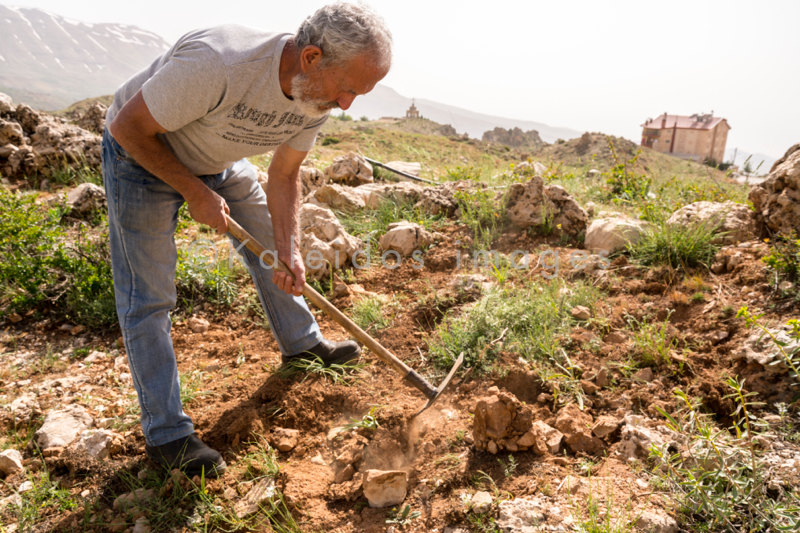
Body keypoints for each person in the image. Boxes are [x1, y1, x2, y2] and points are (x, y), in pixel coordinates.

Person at [102, 2, 392, 478]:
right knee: (148, 297)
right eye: (347, 89)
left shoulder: (314, 95)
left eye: (359, 93)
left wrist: (290, 249)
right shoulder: (218, 63)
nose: (347, 105)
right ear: (312, 57)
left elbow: (284, 173)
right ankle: (166, 435)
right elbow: (126, 128)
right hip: (143, 158)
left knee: (276, 252)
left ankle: (303, 344)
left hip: (220, 160)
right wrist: (193, 191)